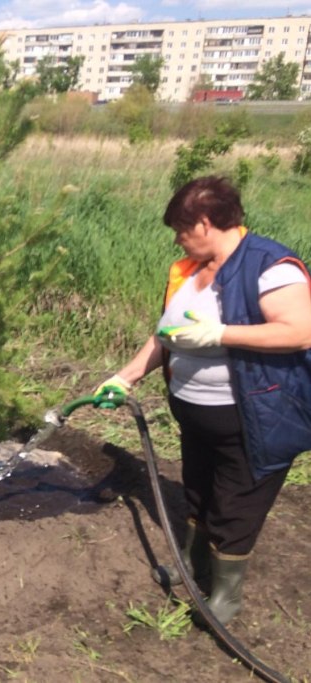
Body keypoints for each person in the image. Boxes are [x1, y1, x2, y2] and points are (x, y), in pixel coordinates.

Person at [94, 176, 311, 626]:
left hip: (253, 419)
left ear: (206, 223)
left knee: (235, 505)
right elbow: (165, 335)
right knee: (198, 491)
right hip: (194, 415)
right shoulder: (190, 270)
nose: (177, 239)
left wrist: (220, 333)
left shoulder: (270, 266)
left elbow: (299, 331)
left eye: (181, 229)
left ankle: (226, 595)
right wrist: (124, 377)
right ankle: (194, 567)